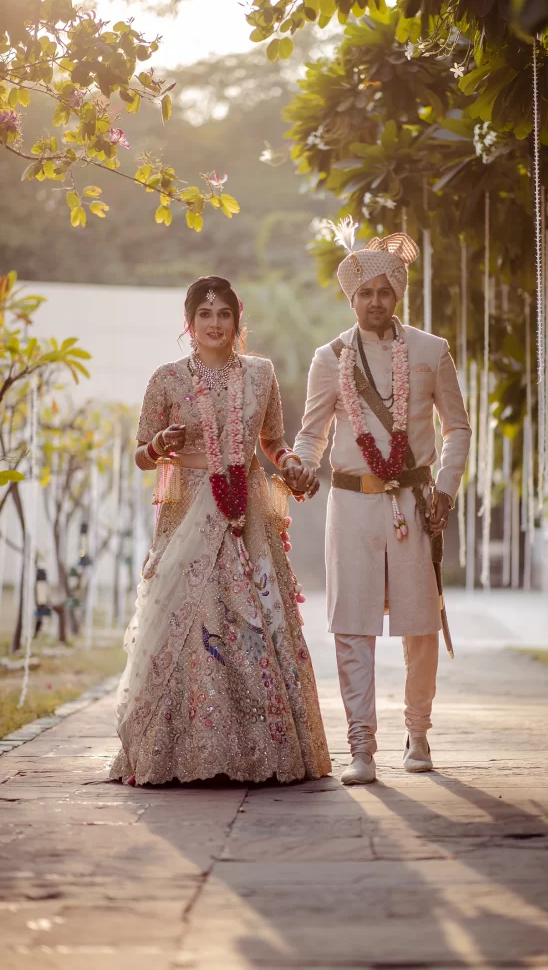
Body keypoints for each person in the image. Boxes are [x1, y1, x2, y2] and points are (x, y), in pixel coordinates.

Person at [109, 276, 331, 786]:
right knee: (189, 618)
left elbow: (272, 442)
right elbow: (142, 455)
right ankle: (186, 751)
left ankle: (262, 751)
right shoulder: (166, 379)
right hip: (187, 509)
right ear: (188, 324)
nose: (215, 324)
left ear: (238, 320)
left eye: (224, 314)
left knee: (256, 618)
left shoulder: (260, 374)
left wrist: (292, 461)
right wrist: (162, 442)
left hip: (247, 512)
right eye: (204, 314)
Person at [289, 221, 471, 785]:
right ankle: (361, 747)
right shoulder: (329, 357)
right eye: (364, 292)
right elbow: (311, 433)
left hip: (418, 501)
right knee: (352, 625)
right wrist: (298, 464)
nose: (374, 301)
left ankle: (418, 733)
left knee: (420, 624)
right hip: (352, 504)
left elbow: (458, 428)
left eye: (384, 291)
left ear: (398, 294)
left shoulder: (430, 350)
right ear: (352, 297)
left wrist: (445, 488)